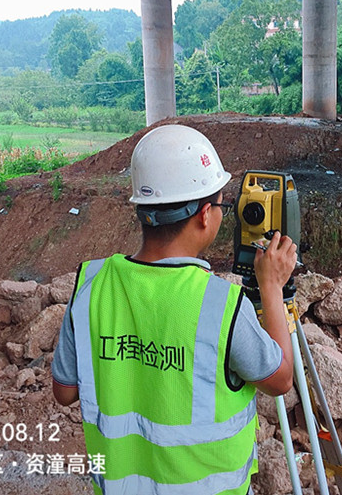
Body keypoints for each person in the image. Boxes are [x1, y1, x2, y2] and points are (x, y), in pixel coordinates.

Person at [51, 124, 297, 495]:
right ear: (204, 215)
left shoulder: (91, 286)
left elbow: (65, 391)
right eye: (219, 205)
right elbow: (280, 380)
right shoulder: (220, 305)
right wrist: (272, 288)